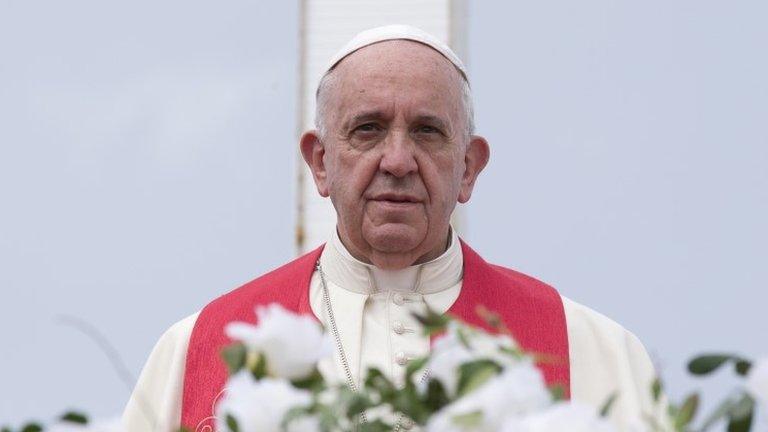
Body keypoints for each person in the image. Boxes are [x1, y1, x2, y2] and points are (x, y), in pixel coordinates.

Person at [122, 25, 659, 432]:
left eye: (427, 131)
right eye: (368, 129)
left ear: (468, 167)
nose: (398, 160)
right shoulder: (199, 347)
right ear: (321, 163)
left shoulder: (594, 351)